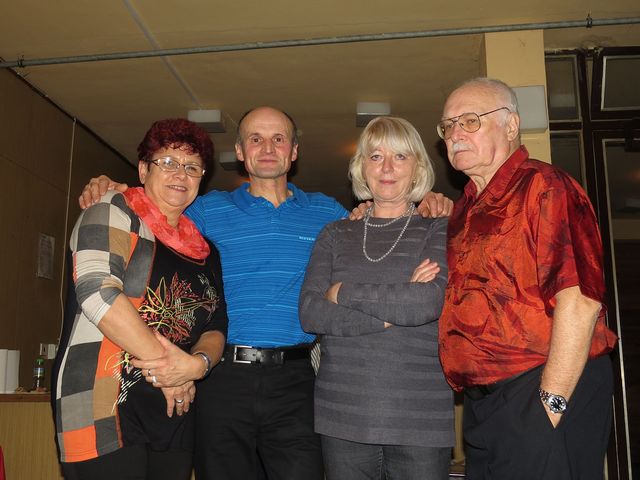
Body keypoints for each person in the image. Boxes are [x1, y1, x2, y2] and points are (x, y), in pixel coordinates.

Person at [78, 106, 452, 480]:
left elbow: (380, 220)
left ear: (294, 151)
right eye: (256, 139)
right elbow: (157, 206)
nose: (268, 148)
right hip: (221, 377)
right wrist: (117, 189)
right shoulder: (206, 209)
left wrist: (430, 200)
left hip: (297, 380)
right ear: (241, 152)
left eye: (279, 139)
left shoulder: (329, 214)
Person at [437, 77, 618, 480]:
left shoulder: (545, 186)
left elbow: (580, 300)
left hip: (542, 386)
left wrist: (550, 404)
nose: (454, 134)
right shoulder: (464, 209)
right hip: (486, 402)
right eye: (447, 126)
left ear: (512, 126)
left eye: (470, 121)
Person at [52, 118, 228, 480]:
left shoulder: (205, 250)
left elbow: (216, 325)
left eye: (192, 166)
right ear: (144, 169)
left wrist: (197, 367)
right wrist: (172, 374)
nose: (180, 173)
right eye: (168, 162)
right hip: (103, 402)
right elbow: (98, 292)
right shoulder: (112, 211)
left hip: (174, 413)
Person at [299, 116, 454, 479]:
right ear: (361, 167)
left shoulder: (438, 228)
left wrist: (342, 292)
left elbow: (426, 303)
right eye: (375, 156)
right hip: (343, 415)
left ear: (417, 168)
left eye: (400, 157)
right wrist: (392, 311)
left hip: (421, 417)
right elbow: (310, 313)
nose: (387, 168)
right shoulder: (335, 233)